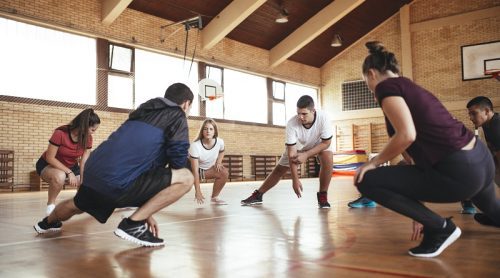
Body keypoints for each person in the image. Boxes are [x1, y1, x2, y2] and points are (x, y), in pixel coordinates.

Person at [354, 41, 500, 258]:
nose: (369, 85)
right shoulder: (409, 87)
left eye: (366, 80)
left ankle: (441, 229)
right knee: (496, 213)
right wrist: (419, 214)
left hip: (461, 169)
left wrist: (373, 162)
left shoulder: (386, 88)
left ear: (372, 74)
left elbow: (406, 135)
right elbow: (415, 160)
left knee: (365, 179)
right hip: (480, 160)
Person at [34, 83, 195, 247]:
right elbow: (178, 161)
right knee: (186, 177)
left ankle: (47, 223)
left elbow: (140, 167)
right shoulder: (177, 115)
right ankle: (132, 225)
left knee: (76, 204)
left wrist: (146, 213)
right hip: (116, 181)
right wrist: (141, 215)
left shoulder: (142, 113)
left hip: (94, 172)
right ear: (186, 104)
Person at [241, 95, 334, 208]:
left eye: (304, 114)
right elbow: (292, 155)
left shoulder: (323, 117)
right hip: (299, 146)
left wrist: (306, 155)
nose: (300, 117)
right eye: (298, 113)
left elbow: (326, 143)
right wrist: (295, 180)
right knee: (279, 169)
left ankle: (323, 195)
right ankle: (258, 195)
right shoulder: (292, 124)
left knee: (328, 157)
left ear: (313, 111)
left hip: (318, 143)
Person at [36, 108, 100, 216]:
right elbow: (50, 158)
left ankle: (80, 205)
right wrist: (69, 172)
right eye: (93, 129)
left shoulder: (88, 138)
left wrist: (83, 181)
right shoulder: (60, 133)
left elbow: (84, 161)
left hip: (71, 166)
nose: (93, 133)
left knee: (86, 181)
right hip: (48, 164)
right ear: (84, 126)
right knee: (60, 176)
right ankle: (50, 206)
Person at [466, 96, 500, 217]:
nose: (470, 118)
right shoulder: (487, 124)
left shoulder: (496, 125)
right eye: (470, 114)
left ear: (486, 111)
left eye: (474, 114)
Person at [189, 118, 229, 205]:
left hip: (207, 169)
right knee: (180, 183)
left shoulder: (220, 142)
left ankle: (214, 198)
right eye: (205, 129)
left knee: (224, 172)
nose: (208, 131)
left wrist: (218, 162)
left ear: (215, 131)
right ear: (202, 131)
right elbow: (195, 171)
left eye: (211, 129)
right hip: (193, 170)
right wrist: (198, 191)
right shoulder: (195, 146)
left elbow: (222, 151)